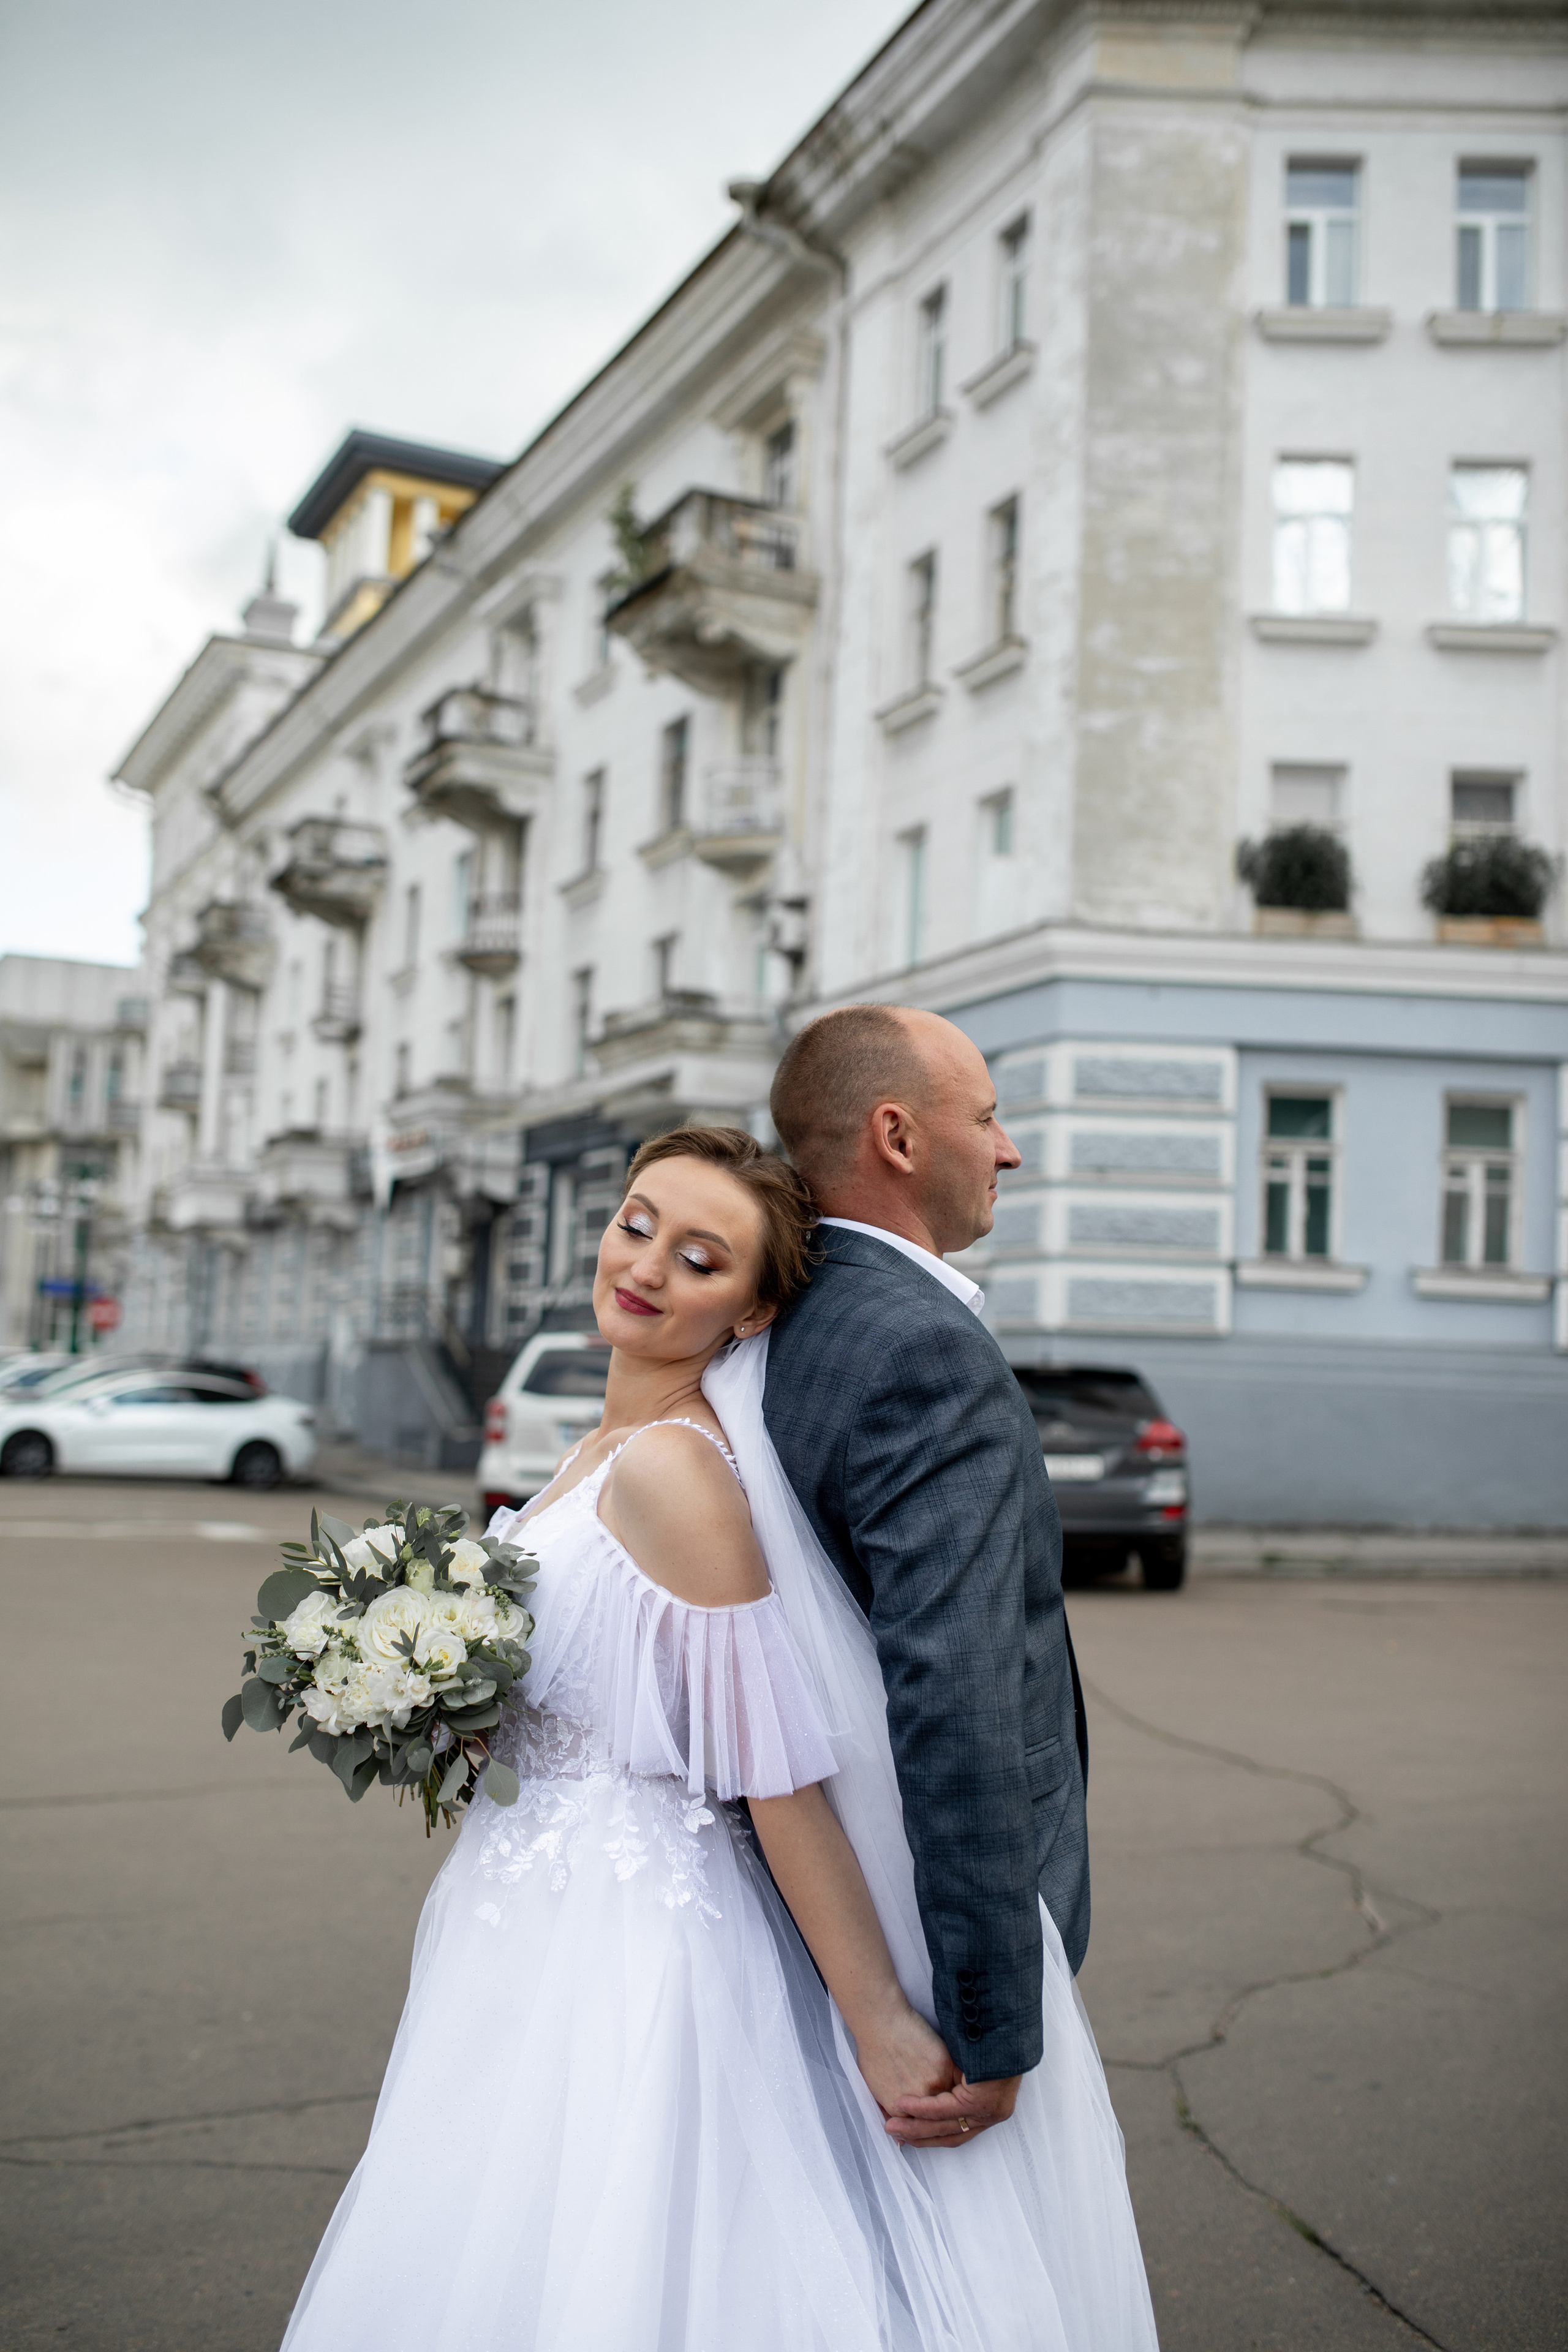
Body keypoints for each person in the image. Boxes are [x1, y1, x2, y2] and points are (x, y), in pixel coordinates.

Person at [281, 1121, 1155, 2352]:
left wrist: (876, 2019)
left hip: (638, 1939)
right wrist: (428, 1695)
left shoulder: (675, 1474)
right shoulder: (597, 1452)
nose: (644, 1266)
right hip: (530, 1905)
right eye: (635, 1224)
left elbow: (774, 1777)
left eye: (699, 1260)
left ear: (751, 1312)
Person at [764, 1003, 1088, 2142]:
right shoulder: (921, 1350)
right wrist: (992, 2018)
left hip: (804, 1898)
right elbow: (958, 1694)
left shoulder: (777, 1314)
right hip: (913, 1926)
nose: (1010, 1150)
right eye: (988, 1119)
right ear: (897, 1137)